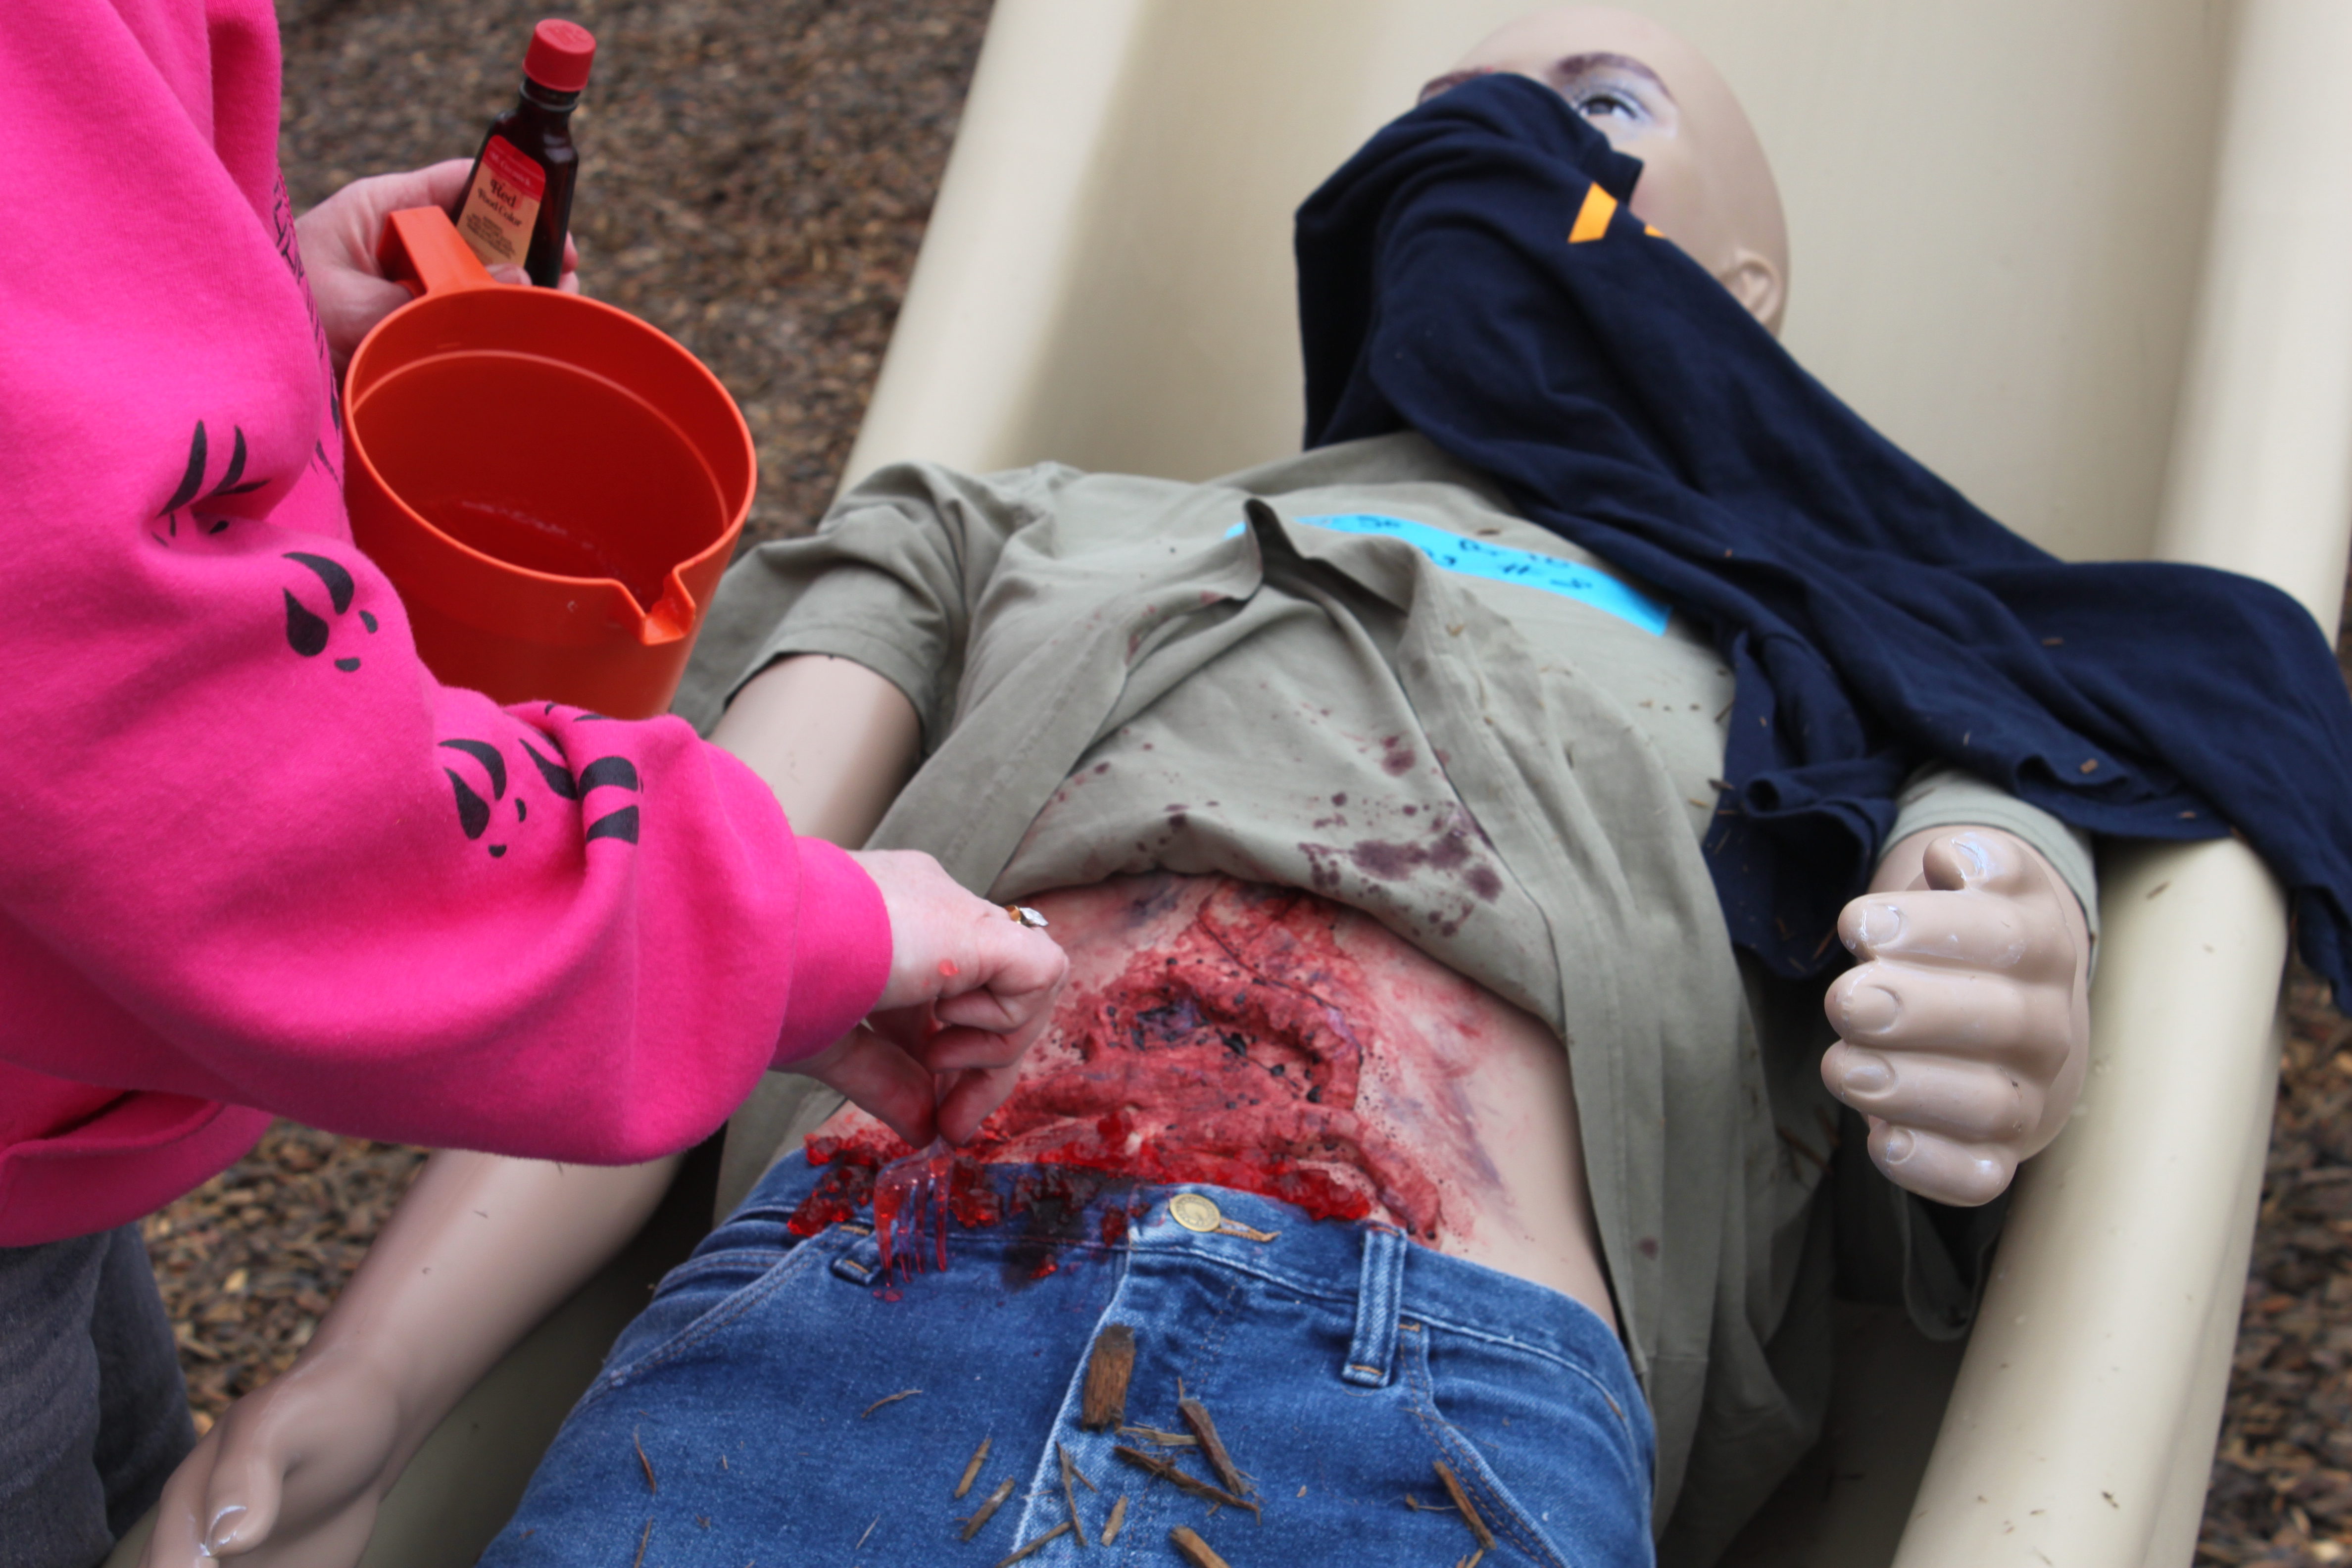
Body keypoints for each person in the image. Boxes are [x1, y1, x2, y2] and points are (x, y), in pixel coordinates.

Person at [131, 8, 2124, 1565]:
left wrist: (2009, 933)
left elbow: (2006, 824)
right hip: (838, 1307)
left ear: (1743, 290)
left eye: (1599, 109)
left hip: (1426, 1409)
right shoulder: (1009, 524)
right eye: (1436, 115)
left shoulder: (1854, 636)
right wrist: (373, 1376)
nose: (1492, 138)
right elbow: (682, 901)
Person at [0, 5, 1068, 1565]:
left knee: (125, 1465)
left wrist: (247, 308)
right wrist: (777, 926)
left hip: (45, 1121)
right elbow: (171, 758)